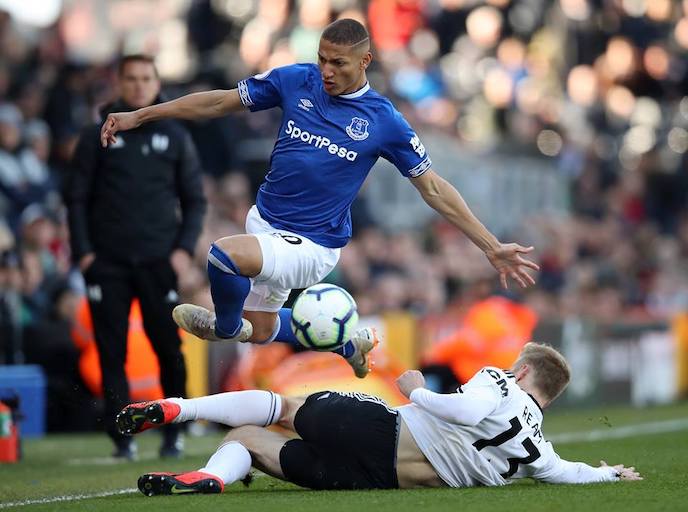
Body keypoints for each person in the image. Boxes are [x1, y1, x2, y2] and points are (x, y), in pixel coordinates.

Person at [100, 19, 539, 379]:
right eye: (323, 60)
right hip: (265, 222)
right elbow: (219, 103)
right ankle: (347, 341)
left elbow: (434, 188)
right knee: (264, 329)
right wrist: (143, 114)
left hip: (312, 244)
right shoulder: (296, 80)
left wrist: (491, 246)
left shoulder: (384, 121)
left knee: (223, 257)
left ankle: (223, 326)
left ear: (365, 61)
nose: (327, 71)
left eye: (339, 63)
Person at [116, 342, 641, 495]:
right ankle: (211, 476)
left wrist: (421, 392)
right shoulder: (537, 451)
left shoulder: (499, 382)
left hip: (385, 430)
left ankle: (178, 409)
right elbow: (564, 471)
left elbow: (469, 407)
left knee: (283, 407)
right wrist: (608, 472)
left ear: (523, 370)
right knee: (251, 442)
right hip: (377, 481)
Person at [65, 54, 206, 459]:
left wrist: (182, 251)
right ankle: (122, 437)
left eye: (147, 78)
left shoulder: (176, 136)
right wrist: (85, 254)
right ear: (119, 83)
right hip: (107, 262)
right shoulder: (96, 135)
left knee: (168, 347)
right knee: (112, 351)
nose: (140, 85)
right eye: (132, 78)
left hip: (160, 261)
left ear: (157, 83)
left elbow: (194, 200)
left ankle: (174, 430)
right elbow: (75, 198)